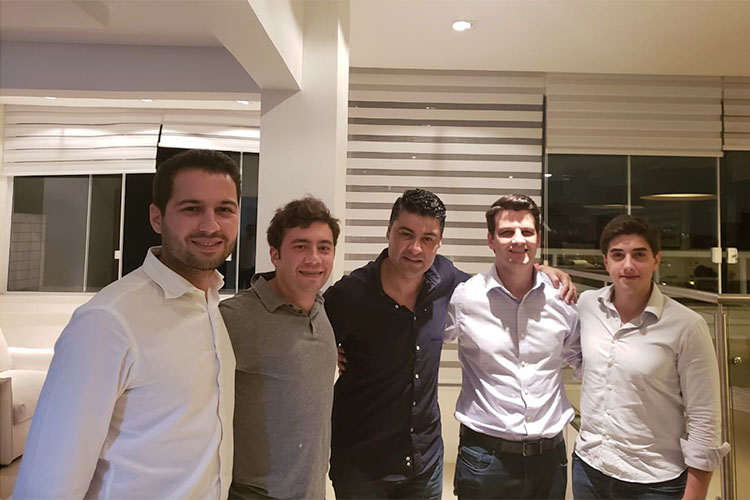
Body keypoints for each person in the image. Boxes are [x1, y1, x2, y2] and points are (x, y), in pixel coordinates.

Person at [14, 149, 241, 499]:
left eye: (224, 209)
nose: (210, 225)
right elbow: (47, 484)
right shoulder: (108, 322)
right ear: (156, 218)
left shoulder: (211, 305)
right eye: (191, 208)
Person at [324, 188, 575, 499]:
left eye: (428, 238)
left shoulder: (448, 281)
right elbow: (309, 339)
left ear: (439, 242)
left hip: (424, 462)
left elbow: (501, 283)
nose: (415, 248)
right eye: (406, 234)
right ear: (388, 232)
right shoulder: (349, 295)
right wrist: (331, 352)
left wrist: (540, 271)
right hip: (362, 463)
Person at [572, 215, 730, 500]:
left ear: (656, 260)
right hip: (590, 470)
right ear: (605, 261)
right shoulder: (587, 305)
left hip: (655, 483)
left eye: (639, 255)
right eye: (618, 255)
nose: (628, 265)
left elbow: (704, 418)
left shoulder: (686, 325)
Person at [445, 194, 581, 499]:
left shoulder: (562, 299)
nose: (518, 240)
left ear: (538, 239)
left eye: (527, 232)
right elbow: (422, 341)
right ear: (490, 240)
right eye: (507, 232)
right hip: (485, 459)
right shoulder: (465, 298)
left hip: (550, 459)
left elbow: (584, 360)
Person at [220, 197, 340, 500]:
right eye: (301, 246)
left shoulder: (321, 308)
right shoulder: (233, 318)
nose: (314, 258)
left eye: (324, 247)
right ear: (275, 255)